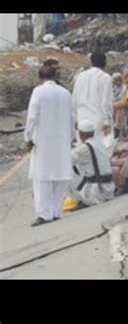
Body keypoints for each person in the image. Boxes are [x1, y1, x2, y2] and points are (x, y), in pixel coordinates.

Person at [25, 66, 75, 226]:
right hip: (62, 139)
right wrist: (71, 137)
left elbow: (32, 116)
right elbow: (72, 117)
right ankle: (55, 211)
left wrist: (28, 137)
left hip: (44, 139)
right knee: (59, 175)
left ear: (40, 78)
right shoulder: (66, 93)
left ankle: (44, 213)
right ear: (54, 76)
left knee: (42, 176)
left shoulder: (38, 92)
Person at [65, 120, 114, 207]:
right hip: (108, 189)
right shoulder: (99, 143)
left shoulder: (84, 148)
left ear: (81, 134)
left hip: (96, 193)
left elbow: (66, 160)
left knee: (64, 172)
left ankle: (82, 200)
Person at [72, 52, 113, 144]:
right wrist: (107, 121)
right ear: (104, 62)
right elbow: (106, 102)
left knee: (82, 149)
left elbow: (74, 98)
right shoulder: (106, 78)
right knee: (99, 149)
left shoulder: (80, 76)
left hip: (81, 117)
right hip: (98, 118)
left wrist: (74, 118)